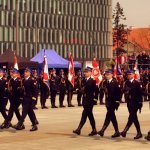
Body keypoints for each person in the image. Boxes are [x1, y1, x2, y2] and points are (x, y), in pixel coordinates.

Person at [73, 67, 98, 136]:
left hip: (90, 101)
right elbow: (82, 89)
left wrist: (95, 99)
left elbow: (97, 91)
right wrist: (78, 89)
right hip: (84, 100)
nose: (85, 73)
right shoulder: (84, 80)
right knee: (90, 116)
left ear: (90, 73)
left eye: (87, 72)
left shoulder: (93, 81)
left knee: (84, 115)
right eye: (85, 72)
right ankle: (94, 130)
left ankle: (79, 129)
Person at [97, 69, 121, 138]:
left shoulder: (115, 82)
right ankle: (117, 131)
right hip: (108, 102)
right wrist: (102, 89)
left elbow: (118, 93)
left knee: (108, 116)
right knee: (112, 117)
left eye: (108, 75)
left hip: (113, 102)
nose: (106, 76)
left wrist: (117, 102)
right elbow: (102, 91)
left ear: (111, 75)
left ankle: (102, 130)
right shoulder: (105, 82)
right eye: (106, 75)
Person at [120, 70, 143, 139]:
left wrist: (140, 102)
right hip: (129, 102)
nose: (129, 75)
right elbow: (122, 91)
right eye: (128, 74)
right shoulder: (126, 82)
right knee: (133, 117)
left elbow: (140, 93)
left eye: (130, 74)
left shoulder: (137, 83)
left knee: (132, 116)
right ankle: (139, 133)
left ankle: (125, 131)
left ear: (133, 75)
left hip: (135, 103)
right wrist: (125, 90)